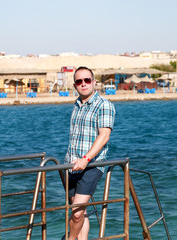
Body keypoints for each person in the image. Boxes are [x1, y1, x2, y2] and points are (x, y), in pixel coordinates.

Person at [64, 66, 116, 240]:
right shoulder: (77, 105)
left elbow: (104, 135)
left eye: (87, 80)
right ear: (75, 85)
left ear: (94, 82)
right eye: (79, 81)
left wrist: (86, 159)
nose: (83, 84)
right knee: (81, 210)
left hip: (91, 165)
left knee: (77, 213)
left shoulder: (104, 105)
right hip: (71, 165)